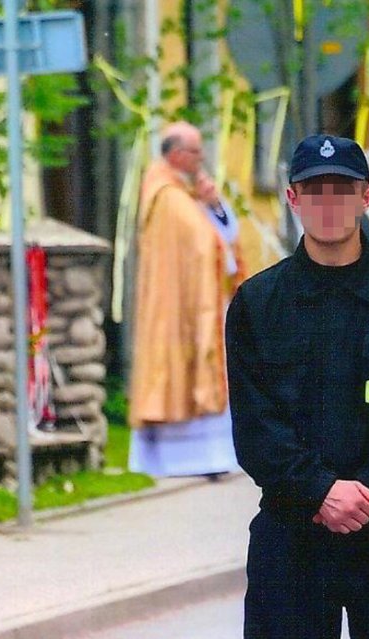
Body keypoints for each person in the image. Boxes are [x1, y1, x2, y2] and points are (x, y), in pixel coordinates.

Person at [226, 134, 369, 638]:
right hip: (293, 533)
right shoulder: (258, 303)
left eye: (342, 190)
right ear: (293, 199)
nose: (328, 204)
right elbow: (255, 425)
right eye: (315, 191)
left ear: (366, 197)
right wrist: (318, 491)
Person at [128, 121, 243, 479]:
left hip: (197, 301)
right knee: (179, 370)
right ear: (177, 154)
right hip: (177, 307)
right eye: (196, 151)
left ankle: (209, 458)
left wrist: (214, 204)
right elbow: (204, 243)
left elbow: (223, 235)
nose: (201, 158)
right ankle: (180, 461)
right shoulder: (166, 196)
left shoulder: (184, 193)